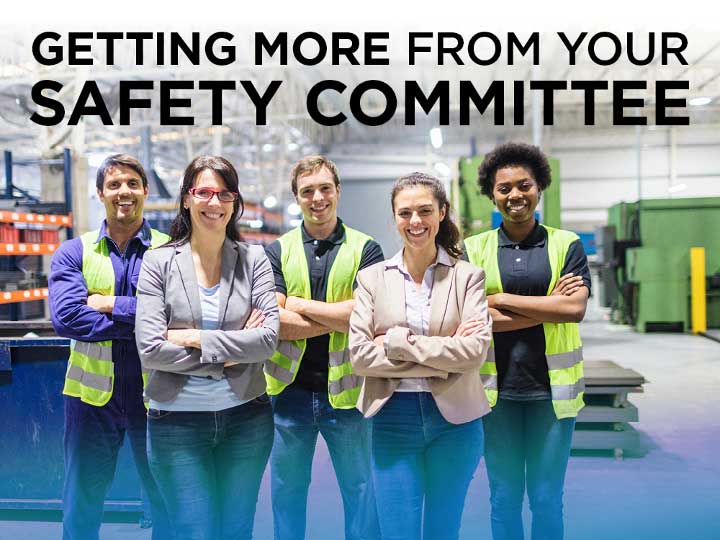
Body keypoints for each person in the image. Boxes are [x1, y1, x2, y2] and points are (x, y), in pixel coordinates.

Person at [134, 156, 278, 540]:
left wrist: (195, 338)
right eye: (204, 192)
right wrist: (232, 352)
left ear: (234, 202)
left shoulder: (254, 260)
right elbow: (150, 349)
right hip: (176, 423)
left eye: (224, 193)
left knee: (236, 530)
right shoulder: (158, 262)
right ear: (186, 199)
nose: (214, 203)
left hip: (246, 418)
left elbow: (266, 340)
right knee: (192, 531)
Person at [348, 172, 492, 540]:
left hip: (456, 424)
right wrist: (445, 353)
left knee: (444, 529)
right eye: (405, 213)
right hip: (393, 417)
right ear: (394, 217)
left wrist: (397, 342)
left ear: (442, 212)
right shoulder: (372, 279)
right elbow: (361, 356)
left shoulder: (468, 278)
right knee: (398, 530)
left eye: (425, 211)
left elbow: (474, 352)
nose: (415, 222)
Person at [463, 142, 591, 540]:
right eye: (504, 188)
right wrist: (547, 303)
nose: (515, 195)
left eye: (524, 185)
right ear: (491, 194)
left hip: (552, 395)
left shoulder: (565, 243)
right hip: (494, 395)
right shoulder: (473, 248)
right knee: (502, 497)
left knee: (547, 497)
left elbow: (574, 311)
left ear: (539, 188)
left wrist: (499, 299)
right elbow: (470, 319)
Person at [48, 153, 170, 540]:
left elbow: (183, 315)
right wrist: (147, 320)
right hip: (91, 398)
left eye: (133, 184)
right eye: (114, 184)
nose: (124, 192)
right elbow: (67, 318)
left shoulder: (171, 250)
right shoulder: (74, 252)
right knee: (82, 501)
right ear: (100, 192)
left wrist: (111, 304)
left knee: (167, 500)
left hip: (159, 395)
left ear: (146, 191)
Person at [264, 155, 383, 540]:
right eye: (307, 191)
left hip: (347, 394)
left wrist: (296, 304)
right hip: (288, 393)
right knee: (287, 491)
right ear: (296, 198)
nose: (317, 197)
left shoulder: (367, 249)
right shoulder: (276, 251)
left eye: (324, 188)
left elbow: (365, 317)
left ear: (338, 191)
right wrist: (338, 315)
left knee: (360, 489)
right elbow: (274, 322)